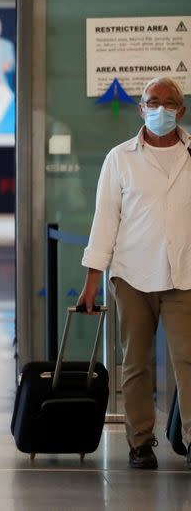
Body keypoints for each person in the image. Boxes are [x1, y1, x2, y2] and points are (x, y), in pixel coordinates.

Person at [78, 76, 191, 470]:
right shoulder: (120, 157)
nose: (161, 108)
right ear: (141, 108)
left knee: (188, 359)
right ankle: (140, 441)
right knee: (137, 362)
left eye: (170, 101)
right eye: (152, 101)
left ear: (182, 109)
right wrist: (92, 281)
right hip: (131, 275)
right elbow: (105, 220)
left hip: (184, 276)